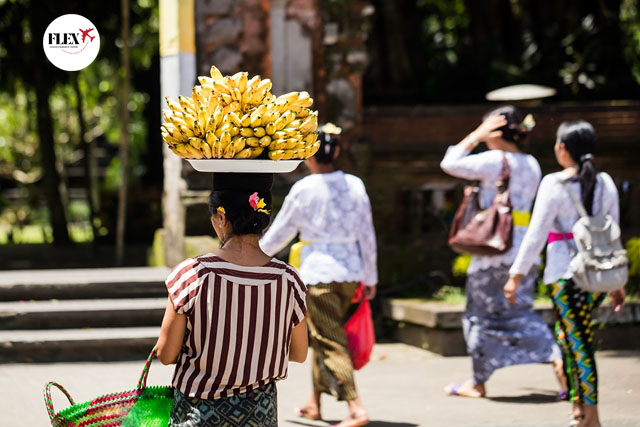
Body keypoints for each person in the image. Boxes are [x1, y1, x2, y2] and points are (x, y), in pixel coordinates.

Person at [156, 172, 309, 426]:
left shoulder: (192, 275)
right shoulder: (289, 280)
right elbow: (299, 352)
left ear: (221, 217)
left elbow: (166, 354)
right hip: (260, 416)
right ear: (264, 220)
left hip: (198, 416)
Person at [505, 120, 626, 427]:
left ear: (563, 148)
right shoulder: (606, 183)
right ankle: (578, 408)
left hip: (564, 276)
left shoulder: (554, 184)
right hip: (597, 276)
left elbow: (536, 234)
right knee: (569, 337)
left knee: (579, 343)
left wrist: (516, 275)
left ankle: (592, 418)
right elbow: (612, 233)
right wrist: (617, 282)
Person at [440, 105, 565, 398]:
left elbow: (450, 162)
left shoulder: (494, 160)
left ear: (496, 132)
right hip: (523, 253)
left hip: (491, 252)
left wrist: (474, 136)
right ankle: (559, 364)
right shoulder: (532, 164)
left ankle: (478, 382)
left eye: (487, 131)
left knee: (479, 317)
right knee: (522, 314)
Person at [260, 124, 378, 427]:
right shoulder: (355, 184)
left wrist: (250, 257)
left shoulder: (303, 188)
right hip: (351, 271)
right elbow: (367, 234)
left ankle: (356, 408)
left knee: (330, 339)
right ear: (336, 151)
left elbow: (281, 233)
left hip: (318, 275)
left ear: (307, 156)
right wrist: (371, 277)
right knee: (322, 335)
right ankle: (315, 403)